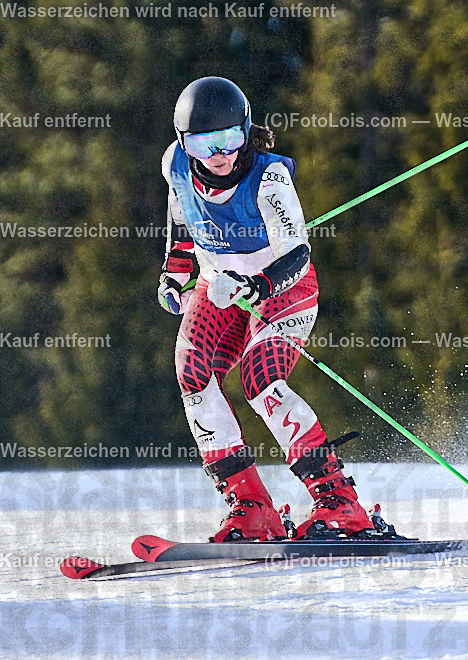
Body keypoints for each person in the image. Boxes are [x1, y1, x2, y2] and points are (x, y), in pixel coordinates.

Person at [157, 76, 373, 541]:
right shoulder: (175, 166)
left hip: (282, 290)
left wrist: (258, 285)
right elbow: (182, 226)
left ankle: (340, 504)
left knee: (260, 380)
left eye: (230, 139)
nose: (220, 155)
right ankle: (252, 508)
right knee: (192, 369)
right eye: (203, 144)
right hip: (218, 286)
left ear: (246, 130)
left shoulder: (270, 178)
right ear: (183, 144)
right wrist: (174, 275)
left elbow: (297, 254)